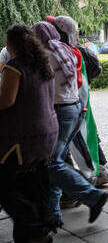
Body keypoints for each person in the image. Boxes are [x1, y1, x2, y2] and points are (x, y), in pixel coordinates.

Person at [32, 21, 108, 227]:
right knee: (57, 162)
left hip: (59, 111)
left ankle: (93, 196)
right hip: (73, 108)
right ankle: (53, 215)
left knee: (53, 163)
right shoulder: (65, 49)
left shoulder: (44, 56)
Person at [0, 24, 59, 243]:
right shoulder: (43, 64)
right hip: (47, 135)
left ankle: (35, 229)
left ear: (10, 44)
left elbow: (6, 101)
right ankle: (42, 228)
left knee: (8, 188)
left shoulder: (15, 66)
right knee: (36, 184)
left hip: (21, 138)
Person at [47, 15, 108, 187]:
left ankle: (89, 179)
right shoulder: (70, 50)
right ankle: (98, 172)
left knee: (81, 138)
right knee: (83, 137)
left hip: (72, 103)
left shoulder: (64, 52)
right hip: (77, 102)